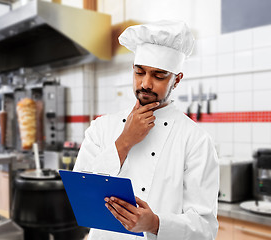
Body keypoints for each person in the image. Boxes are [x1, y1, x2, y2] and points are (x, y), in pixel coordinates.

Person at [73, 20, 219, 240]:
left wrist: (156, 224)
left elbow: (205, 229)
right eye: (139, 73)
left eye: (159, 76)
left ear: (177, 80)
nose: (146, 84)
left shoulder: (195, 140)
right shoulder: (102, 128)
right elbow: (80, 195)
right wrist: (124, 141)